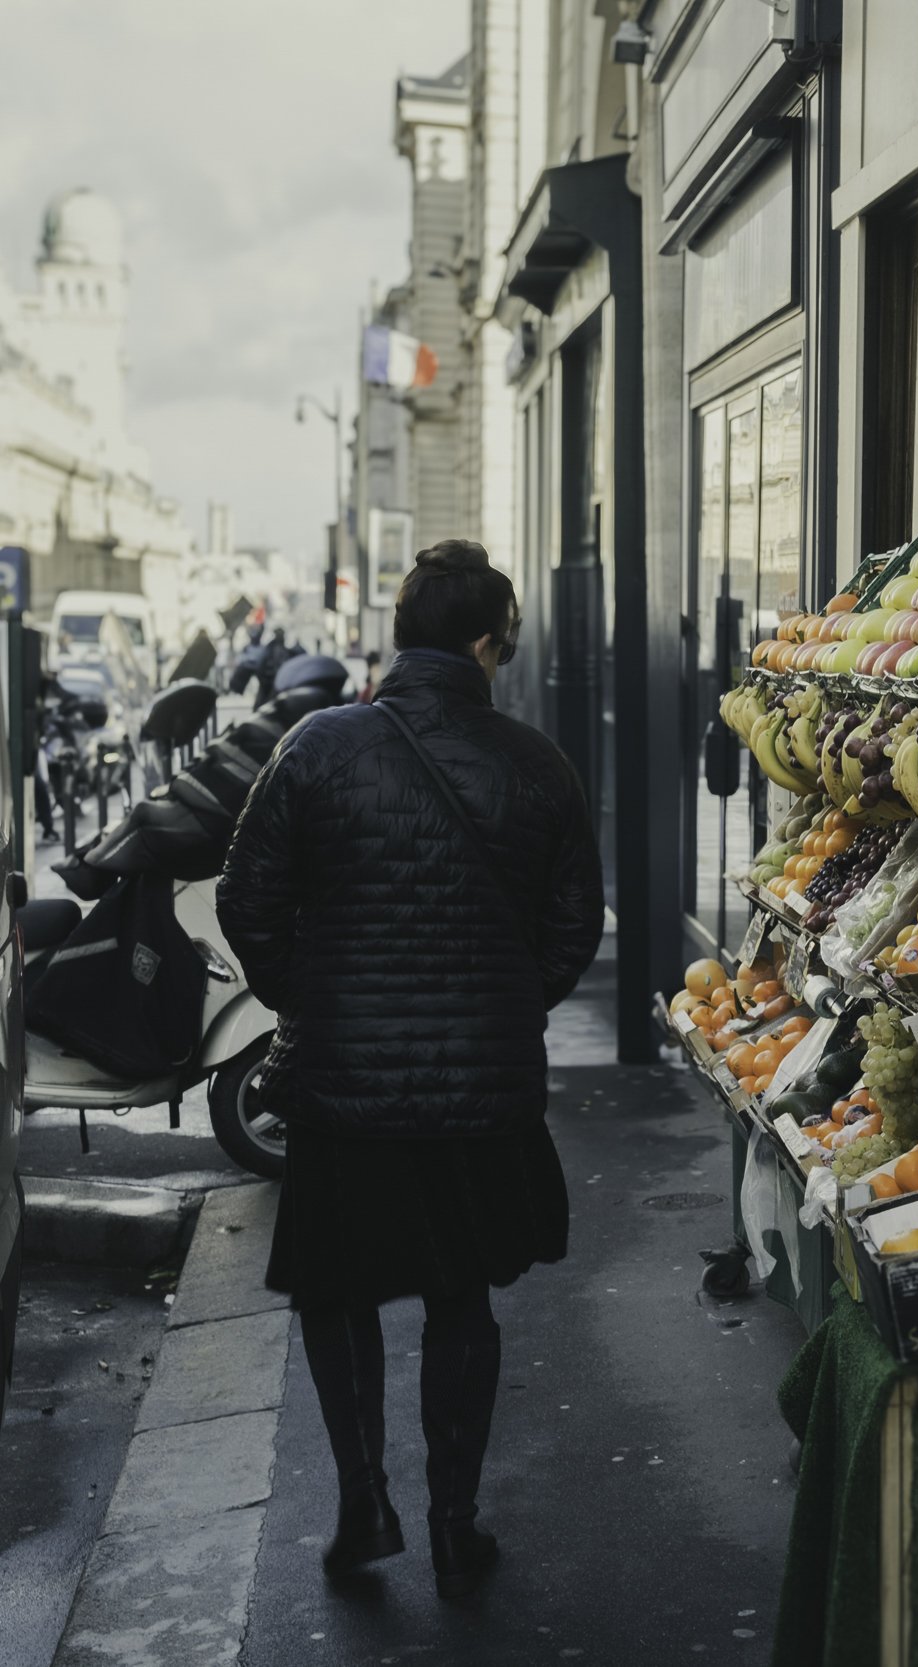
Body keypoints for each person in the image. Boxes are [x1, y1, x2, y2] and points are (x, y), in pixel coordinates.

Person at [217, 541, 604, 1599]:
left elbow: (246, 898)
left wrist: (317, 998)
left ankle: (360, 1505)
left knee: (338, 1293)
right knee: (460, 1294)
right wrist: (503, 1004)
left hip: (345, 1087)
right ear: (487, 642)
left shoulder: (317, 745)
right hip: (480, 1094)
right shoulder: (537, 762)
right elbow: (576, 925)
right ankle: (452, 1521)